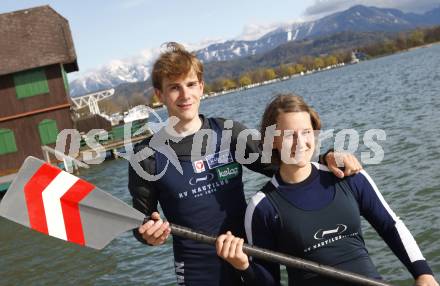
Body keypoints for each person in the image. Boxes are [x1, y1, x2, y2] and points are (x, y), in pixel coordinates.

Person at [128, 43, 362, 286]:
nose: (185, 95)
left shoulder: (229, 133)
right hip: (197, 271)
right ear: (159, 95)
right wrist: (149, 235)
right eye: (174, 88)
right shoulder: (147, 155)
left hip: (249, 259)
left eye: (190, 85)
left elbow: (284, 163)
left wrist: (327, 158)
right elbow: (141, 222)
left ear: (201, 87)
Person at [216, 94, 438, 286]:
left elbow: (391, 226)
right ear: (272, 140)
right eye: (289, 135)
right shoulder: (262, 207)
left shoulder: (348, 176)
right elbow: (268, 281)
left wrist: (424, 273)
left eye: (306, 132)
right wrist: (244, 266)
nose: (300, 142)